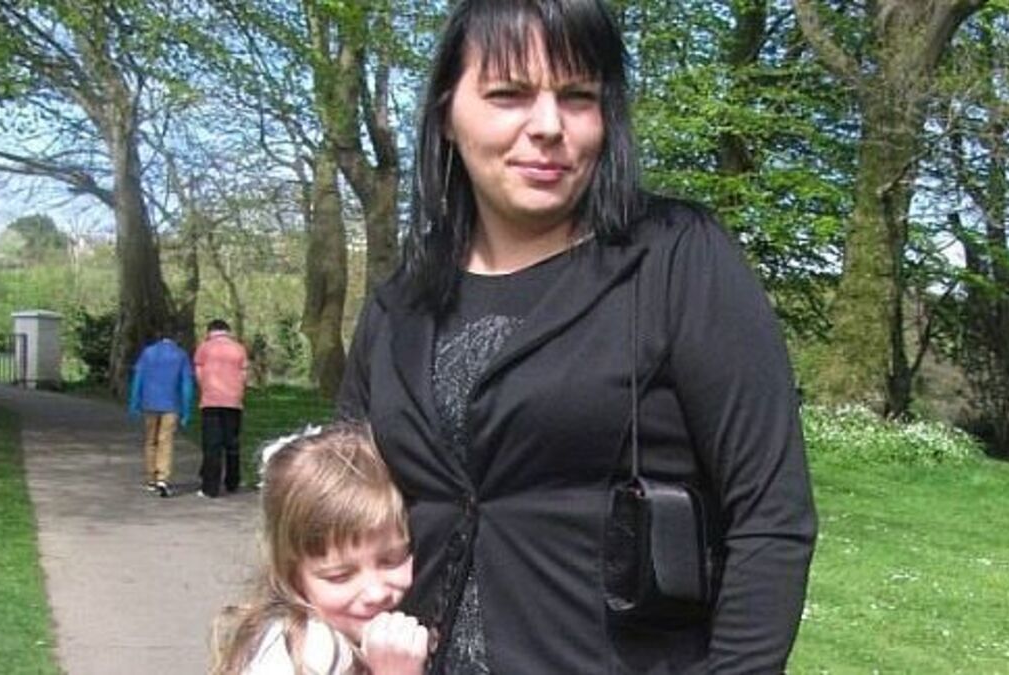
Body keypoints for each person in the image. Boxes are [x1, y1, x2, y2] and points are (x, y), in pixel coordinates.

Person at [336, 0, 817, 672]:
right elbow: (330, 516)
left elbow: (771, 516)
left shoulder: (677, 260)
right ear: (447, 112)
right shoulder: (400, 307)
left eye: (577, 96)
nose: (547, 125)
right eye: (508, 95)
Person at [210, 424, 429, 675]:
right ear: (292, 574)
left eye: (392, 560)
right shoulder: (307, 653)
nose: (376, 593)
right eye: (340, 576)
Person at [128, 332, 194, 498]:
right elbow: (186, 384)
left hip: (149, 403)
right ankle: (163, 478)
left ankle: (151, 477)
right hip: (172, 405)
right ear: (176, 339)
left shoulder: (148, 352)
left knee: (150, 440)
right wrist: (186, 410)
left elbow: (138, 378)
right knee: (166, 441)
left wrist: (134, 402)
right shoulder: (181, 355)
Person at [194, 318, 249, 498]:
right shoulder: (239, 348)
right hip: (233, 402)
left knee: (212, 445)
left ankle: (210, 487)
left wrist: (206, 388)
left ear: (210, 331)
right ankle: (233, 482)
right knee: (232, 443)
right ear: (227, 331)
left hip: (211, 401)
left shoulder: (204, 348)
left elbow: (199, 373)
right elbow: (244, 374)